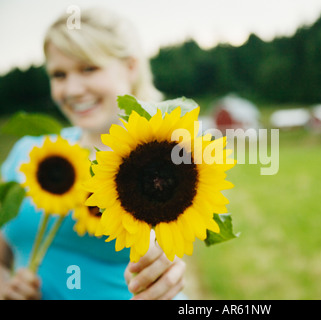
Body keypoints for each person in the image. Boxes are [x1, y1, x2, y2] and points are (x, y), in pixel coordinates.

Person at [0, 7, 187, 300]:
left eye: (89, 68)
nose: (73, 89)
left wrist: (167, 268)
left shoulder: (162, 168)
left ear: (130, 67)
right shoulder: (28, 155)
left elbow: (170, 249)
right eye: (59, 74)